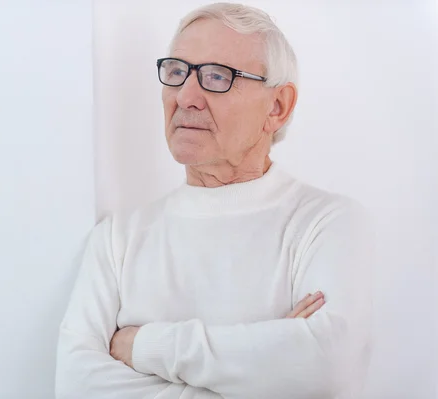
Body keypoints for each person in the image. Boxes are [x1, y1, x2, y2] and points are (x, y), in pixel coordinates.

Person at [55, 2, 373, 398]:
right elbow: (76, 386)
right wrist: (264, 371)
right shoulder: (117, 238)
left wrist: (143, 347)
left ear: (277, 107)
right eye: (176, 72)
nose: (186, 96)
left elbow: (327, 370)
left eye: (217, 76)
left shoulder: (327, 224)